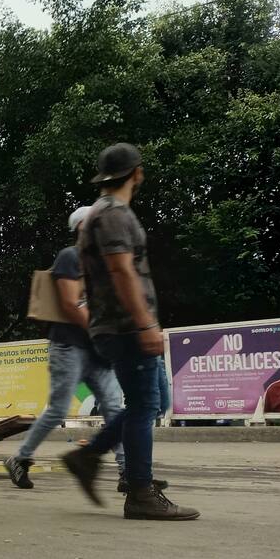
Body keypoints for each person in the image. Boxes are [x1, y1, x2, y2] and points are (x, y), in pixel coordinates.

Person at [62, 143, 198, 520]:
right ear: (136, 173)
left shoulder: (102, 214)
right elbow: (122, 271)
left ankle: (90, 457)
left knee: (152, 402)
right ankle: (139, 491)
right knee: (143, 405)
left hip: (120, 325)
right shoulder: (113, 215)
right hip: (126, 326)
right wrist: (145, 323)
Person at [5, 207, 126, 489]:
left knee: (114, 409)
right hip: (69, 346)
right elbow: (71, 305)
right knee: (58, 411)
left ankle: (128, 472)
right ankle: (20, 459)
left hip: (97, 351)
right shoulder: (70, 257)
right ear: (82, 228)